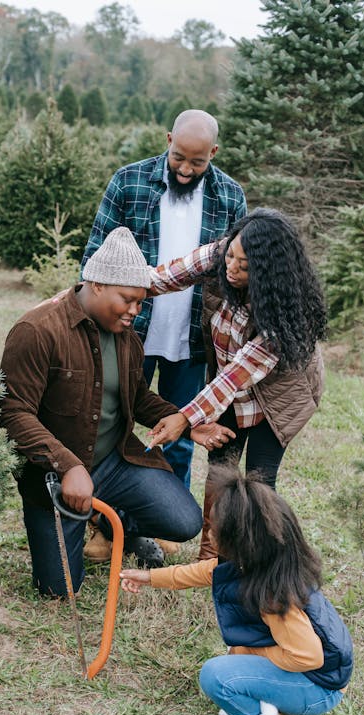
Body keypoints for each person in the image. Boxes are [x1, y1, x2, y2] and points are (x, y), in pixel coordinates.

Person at [0, 226, 202, 598]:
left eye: (141, 302)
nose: (135, 311)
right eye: (128, 300)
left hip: (114, 461)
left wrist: (187, 420)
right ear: (97, 285)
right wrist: (68, 466)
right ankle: (87, 517)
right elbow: (13, 412)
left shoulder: (127, 338)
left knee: (184, 521)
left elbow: (137, 398)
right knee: (59, 590)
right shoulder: (37, 329)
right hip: (56, 477)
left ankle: (116, 524)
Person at [120, 468, 353, 715]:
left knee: (216, 675)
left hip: (320, 688)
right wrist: (149, 578)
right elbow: (204, 572)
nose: (208, 532)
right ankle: (273, 698)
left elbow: (308, 657)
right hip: (319, 676)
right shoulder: (263, 561)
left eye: (213, 528)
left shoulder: (273, 595)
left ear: (238, 538)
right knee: (233, 659)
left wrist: (249, 652)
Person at [145, 208, 327, 559]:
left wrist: (184, 418)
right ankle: (212, 557)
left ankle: (259, 559)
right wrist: (94, 289)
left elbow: (237, 375)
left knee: (260, 481)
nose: (232, 267)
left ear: (268, 272)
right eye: (231, 256)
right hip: (229, 387)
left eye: (244, 266)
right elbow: (162, 277)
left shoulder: (288, 314)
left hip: (278, 397)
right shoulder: (221, 253)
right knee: (219, 470)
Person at [82, 109, 246, 488]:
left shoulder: (230, 197)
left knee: (181, 430)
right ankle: (106, 522)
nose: (186, 169)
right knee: (113, 423)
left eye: (198, 162)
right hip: (130, 329)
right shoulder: (129, 182)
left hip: (193, 338)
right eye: (179, 158)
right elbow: (95, 257)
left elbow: (237, 273)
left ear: (214, 153)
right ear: (168, 140)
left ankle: (166, 521)